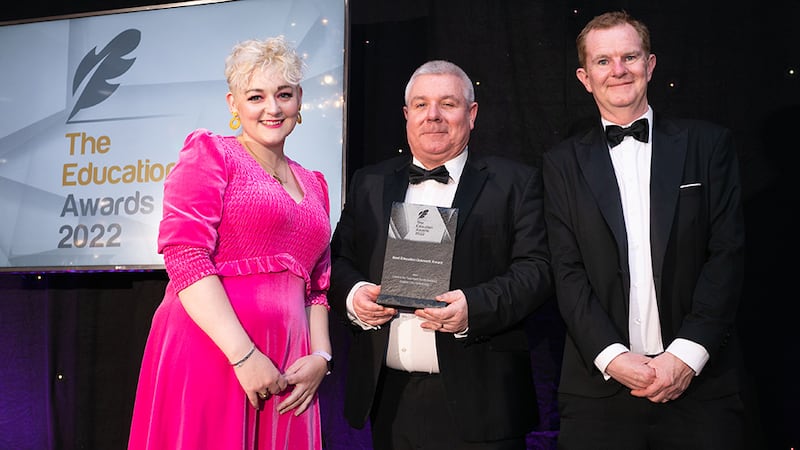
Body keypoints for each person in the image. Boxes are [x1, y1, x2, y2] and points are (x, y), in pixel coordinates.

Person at [543, 11, 746, 450]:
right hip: (599, 392)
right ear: (584, 77)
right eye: (603, 61)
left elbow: (726, 255)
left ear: (650, 65)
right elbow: (566, 270)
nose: (618, 70)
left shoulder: (708, 146)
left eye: (629, 56)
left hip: (701, 387)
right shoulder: (560, 163)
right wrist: (612, 357)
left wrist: (685, 356)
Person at [328, 59, 553, 450]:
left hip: (483, 401)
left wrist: (474, 307)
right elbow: (338, 262)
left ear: (472, 113)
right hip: (390, 403)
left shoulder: (516, 182)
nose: (433, 116)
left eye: (448, 104)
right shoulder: (369, 182)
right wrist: (354, 295)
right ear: (406, 114)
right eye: (421, 105)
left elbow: (537, 270)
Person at [128, 36, 333, 450]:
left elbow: (317, 287)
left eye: (283, 94)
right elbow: (185, 256)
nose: (272, 108)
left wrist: (322, 359)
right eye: (255, 96)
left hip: (290, 367)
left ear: (300, 101)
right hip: (213, 349)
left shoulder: (316, 184)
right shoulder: (211, 153)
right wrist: (243, 355)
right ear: (233, 104)